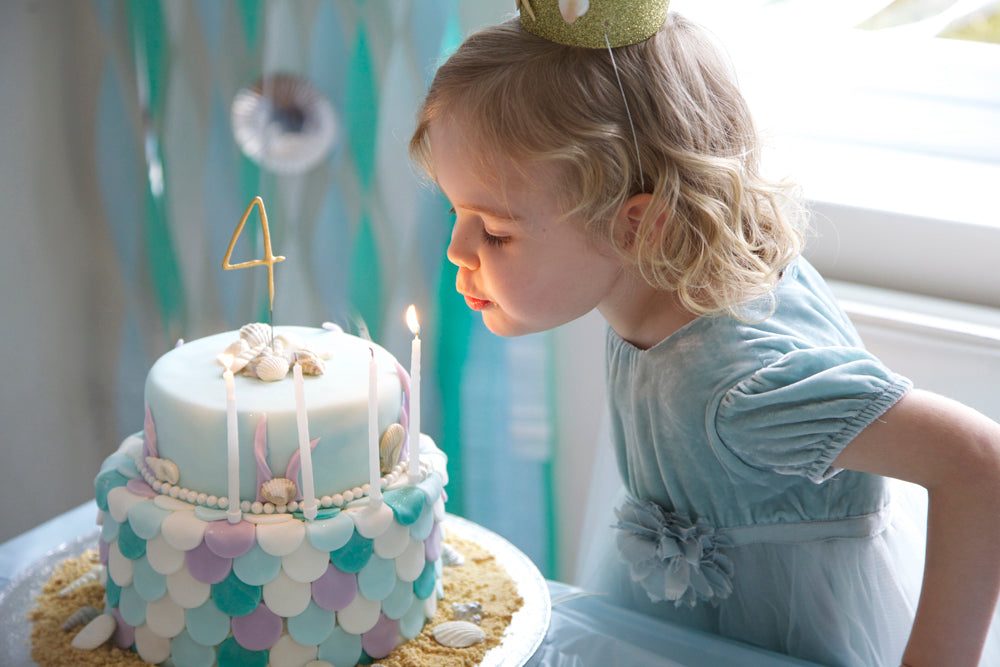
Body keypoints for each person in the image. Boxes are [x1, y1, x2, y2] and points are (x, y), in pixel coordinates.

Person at [408, 1, 1000, 665]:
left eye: (494, 230)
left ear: (636, 225)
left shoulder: (740, 387)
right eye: (458, 214)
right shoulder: (657, 292)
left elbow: (980, 460)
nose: (458, 250)